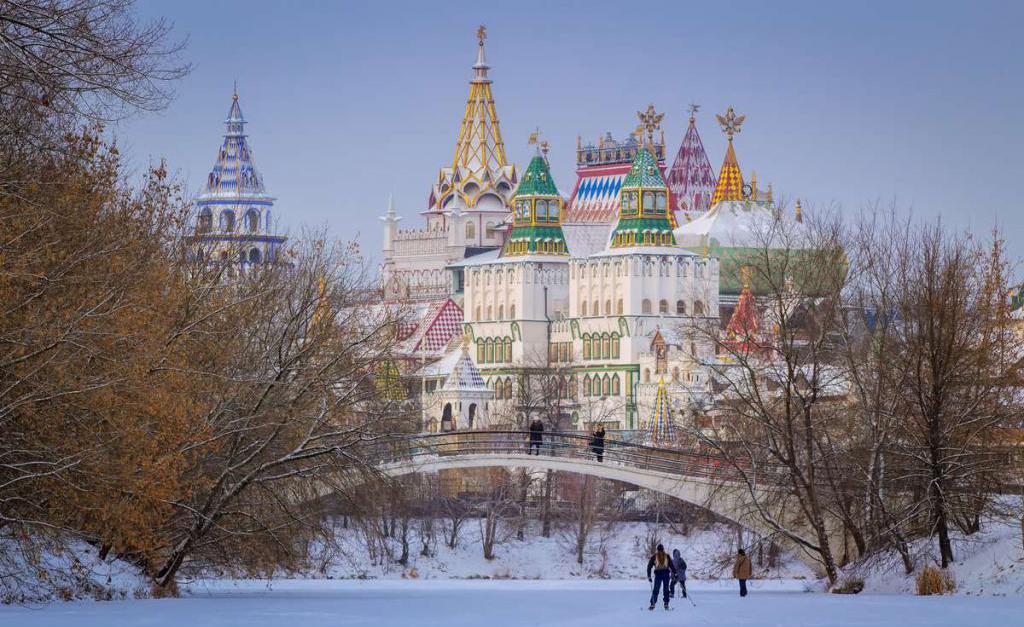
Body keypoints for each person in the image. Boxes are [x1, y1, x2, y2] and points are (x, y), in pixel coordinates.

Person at [646, 544, 677, 610]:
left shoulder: (654, 556)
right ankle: (666, 603)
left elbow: (649, 566)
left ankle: (653, 604)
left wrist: (649, 576)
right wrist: (675, 573)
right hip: (666, 574)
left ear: (657, 549)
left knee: (656, 590)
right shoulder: (667, 556)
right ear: (663, 549)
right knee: (666, 590)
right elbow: (671, 565)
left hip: (658, 574)